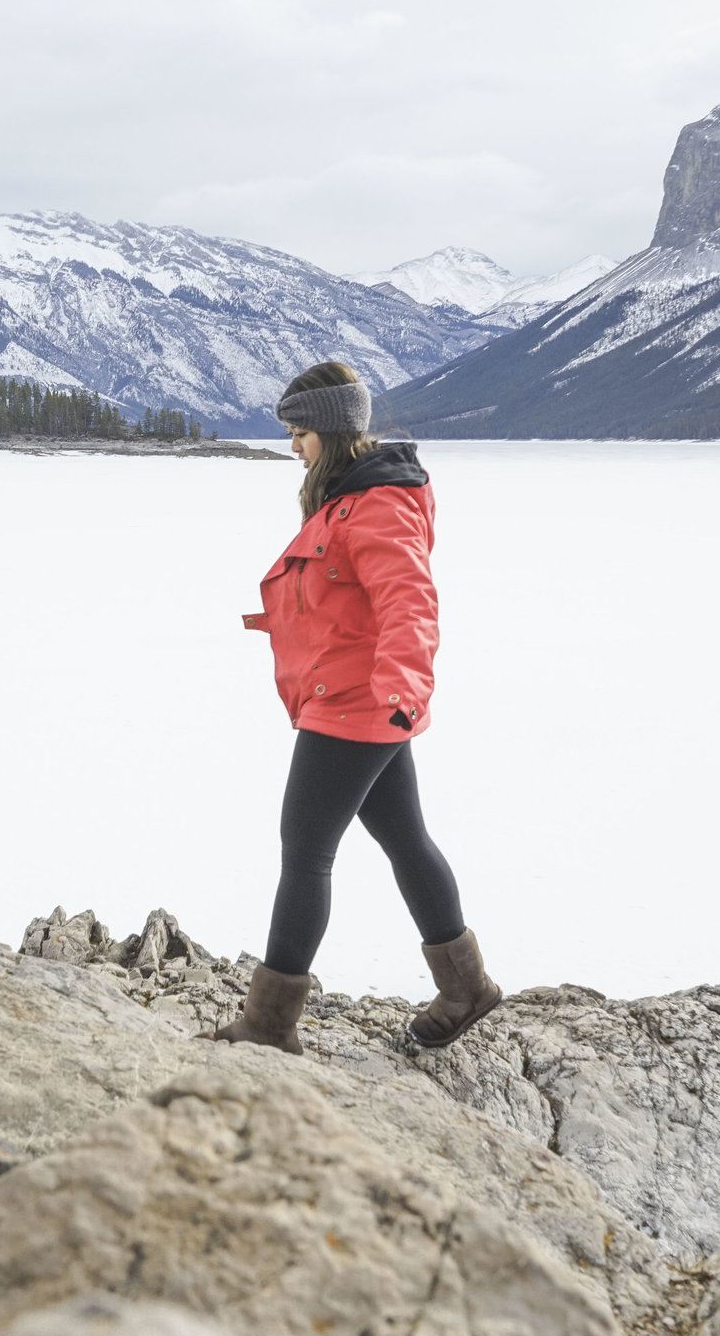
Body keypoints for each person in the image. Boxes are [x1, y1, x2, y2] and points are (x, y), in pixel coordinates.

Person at [209, 361, 503, 1056]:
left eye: (301, 432)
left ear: (335, 432)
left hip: (358, 704)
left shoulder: (376, 503)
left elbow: (409, 599)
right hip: (356, 698)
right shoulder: (350, 494)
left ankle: (270, 1022)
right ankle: (467, 986)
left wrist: (403, 688)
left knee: (304, 850)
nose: (292, 446)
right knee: (404, 837)